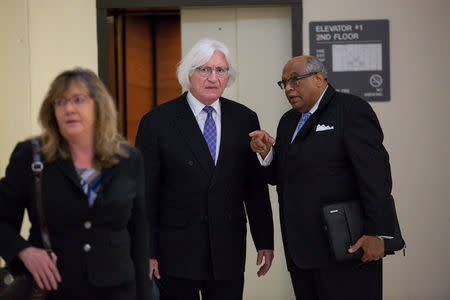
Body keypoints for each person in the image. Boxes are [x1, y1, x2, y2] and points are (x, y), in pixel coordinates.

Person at [135, 38, 274, 300]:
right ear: (188, 74)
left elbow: (254, 189)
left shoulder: (245, 118)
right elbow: (145, 193)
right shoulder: (157, 122)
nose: (213, 77)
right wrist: (147, 251)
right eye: (204, 69)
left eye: (220, 70)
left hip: (227, 249)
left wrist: (265, 241)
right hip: (174, 252)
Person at [249, 56, 395, 300]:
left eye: (295, 80)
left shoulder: (350, 110)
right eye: (283, 83)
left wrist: (377, 233)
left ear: (319, 79)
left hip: (348, 246)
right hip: (302, 251)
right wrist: (267, 154)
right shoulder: (288, 122)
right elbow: (281, 177)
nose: (288, 88)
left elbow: (375, 176)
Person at [0, 68, 151, 299]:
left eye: (78, 99)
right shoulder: (30, 156)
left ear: (98, 105)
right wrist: (24, 251)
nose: (68, 109)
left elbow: (139, 235)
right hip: (53, 290)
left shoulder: (129, 159)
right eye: (60, 102)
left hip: (118, 290)